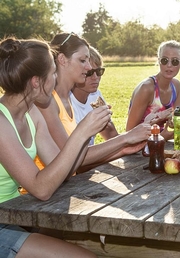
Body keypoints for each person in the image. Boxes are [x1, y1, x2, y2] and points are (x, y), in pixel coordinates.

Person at [0, 37, 99, 257]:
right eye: (53, 73)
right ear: (36, 82)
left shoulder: (31, 113)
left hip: (15, 215)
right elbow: (42, 189)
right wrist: (82, 132)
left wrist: (89, 134)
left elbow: (60, 171)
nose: (56, 79)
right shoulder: (1, 122)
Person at [35, 32, 151, 173]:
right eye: (83, 60)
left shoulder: (66, 97)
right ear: (62, 59)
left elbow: (77, 159)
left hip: (67, 186)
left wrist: (123, 150)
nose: (89, 67)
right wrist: (125, 139)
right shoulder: (49, 101)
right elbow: (69, 158)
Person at [126, 40, 180, 140]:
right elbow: (129, 133)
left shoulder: (176, 85)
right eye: (165, 60)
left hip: (161, 143)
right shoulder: (147, 88)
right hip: (141, 147)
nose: (169, 65)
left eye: (174, 61)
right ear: (158, 61)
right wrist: (160, 137)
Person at [70, 46, 118, 145]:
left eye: (99, 71)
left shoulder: (95, 95)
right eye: (89, 73)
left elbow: (111, 135)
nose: (95, 77)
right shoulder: (65, 101)